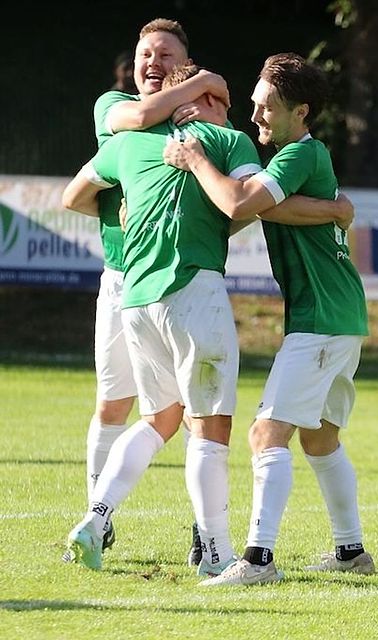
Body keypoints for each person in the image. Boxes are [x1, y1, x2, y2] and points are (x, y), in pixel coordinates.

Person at [160, 54, 372, 586]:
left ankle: (258, 560)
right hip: (338, 314)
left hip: (323, 317)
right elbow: (263, 207)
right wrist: (332, 209)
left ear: (300, 111)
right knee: (320, 439)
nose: (255, 116)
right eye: (252, 104)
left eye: (266, 107)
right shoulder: (294, 155)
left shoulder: (301, 151)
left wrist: (194, 159)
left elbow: (239, 203)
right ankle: (351, 551)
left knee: (264, 433)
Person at [82, 18, 232, 566]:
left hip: (164, 282)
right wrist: (126, 221)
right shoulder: (116, 109)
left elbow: (221, 208)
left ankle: (199, 532)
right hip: (126, 278)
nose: (154, 62)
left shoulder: (195, 129)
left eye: (166, 55)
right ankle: (98, 516)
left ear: (181, 63)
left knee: (176, 414)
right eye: (146, 53)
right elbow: (78, 192)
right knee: (117, 403)